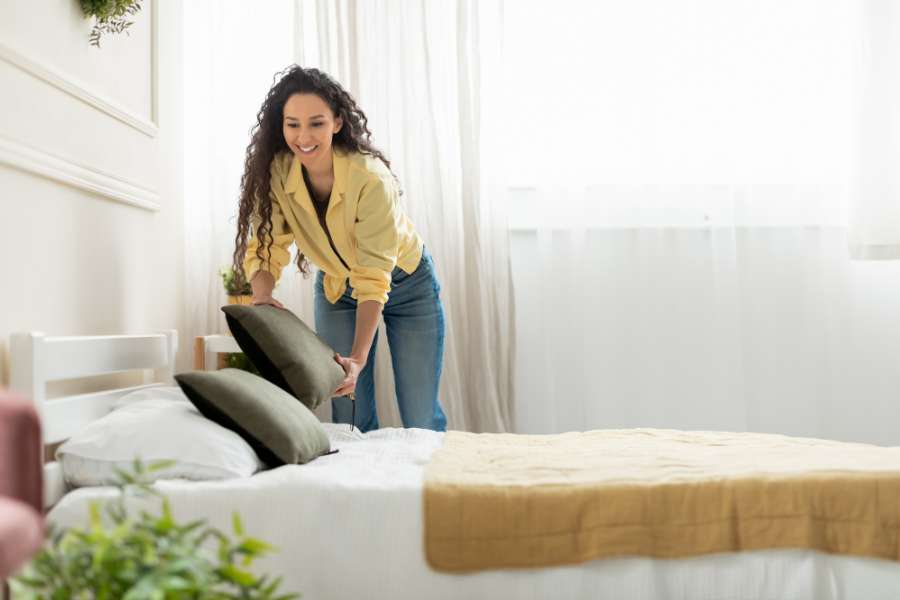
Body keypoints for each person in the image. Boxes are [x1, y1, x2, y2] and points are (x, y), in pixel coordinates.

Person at [232, 66, 447, 433]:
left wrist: (358, 358)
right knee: (349, 417)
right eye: (293, 124)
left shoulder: (370, 178)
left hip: (407, 284)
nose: (303, 137)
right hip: (337, 288)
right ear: (281, 126)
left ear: (337, 122)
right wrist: (263, 296)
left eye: (316, 123)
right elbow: (267, 244)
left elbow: (373, 275)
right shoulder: (277, 173)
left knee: (419, 416)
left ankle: (430, 470)